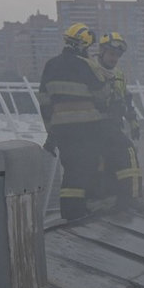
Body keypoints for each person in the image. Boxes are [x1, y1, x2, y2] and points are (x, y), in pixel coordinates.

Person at [38, 22, 113, 221]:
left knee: (70, 170)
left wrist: (51, 132)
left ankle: (70, 213)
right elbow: (102, 95)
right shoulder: (86, 65)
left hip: (62, 131)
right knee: (91, 165)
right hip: (88, 128)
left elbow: (44, 103)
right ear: (83, 46)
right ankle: (90, 207)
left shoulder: (50, 65)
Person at [96, 32, 144, 213]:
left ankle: (120, 199)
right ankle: (131, 197)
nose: (114, 59)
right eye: (111, 54)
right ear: (101, 51)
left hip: (113, 126)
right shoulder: (90, 69)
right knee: (127, 152)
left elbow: (126, 99)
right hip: (96, 126)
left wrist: (133, 122)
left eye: (117, 56)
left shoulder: (118, 74)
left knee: (114, 161)